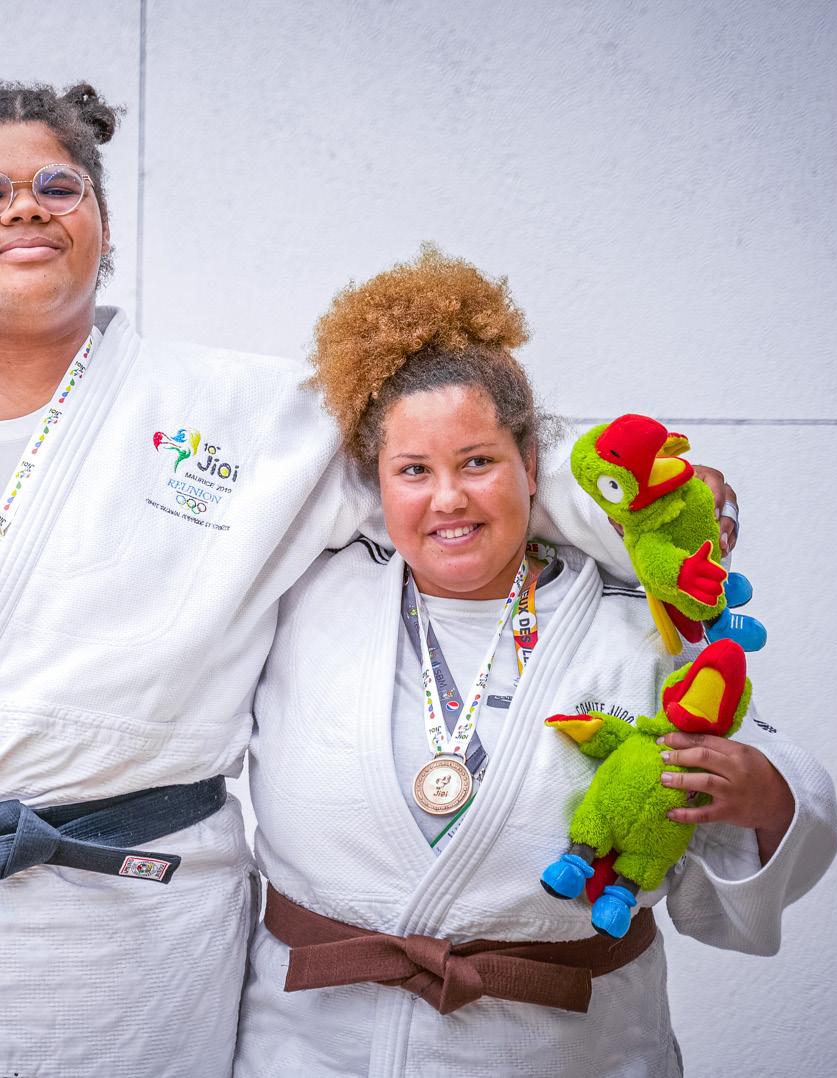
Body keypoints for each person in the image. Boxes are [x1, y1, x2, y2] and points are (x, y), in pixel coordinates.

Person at [0, 83, 739, 1075]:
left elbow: (456, 460)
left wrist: (650, 508)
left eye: (58, 185)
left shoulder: (242, 412)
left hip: (134, 911)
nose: (26, 207)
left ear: (102, 220)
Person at [233, 249, 837, 1077]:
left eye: (478, 461)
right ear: (376, 482)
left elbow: (758, 790)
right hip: (311, 1047)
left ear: (531, 466)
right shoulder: (309, 598)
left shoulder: (637, 627)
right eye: (413, 470)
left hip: (566, 1050)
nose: (448, 497)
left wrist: (767, 795)